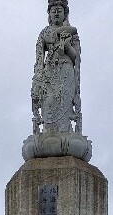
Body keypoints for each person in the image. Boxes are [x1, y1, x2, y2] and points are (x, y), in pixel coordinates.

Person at [31, 0, 82, 135]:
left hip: (65, 70)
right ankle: (49, 132)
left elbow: (76, 58)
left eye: (60, 11)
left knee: (64, 102)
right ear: (49, 14)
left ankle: (65, 132)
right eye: (53, 11)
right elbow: (39, 59)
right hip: (49, 73)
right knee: (49, 102)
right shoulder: (45, 33)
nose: (56, 14)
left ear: (65, 13)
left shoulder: (71, 33)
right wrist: (38, 78)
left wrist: (66, 45)